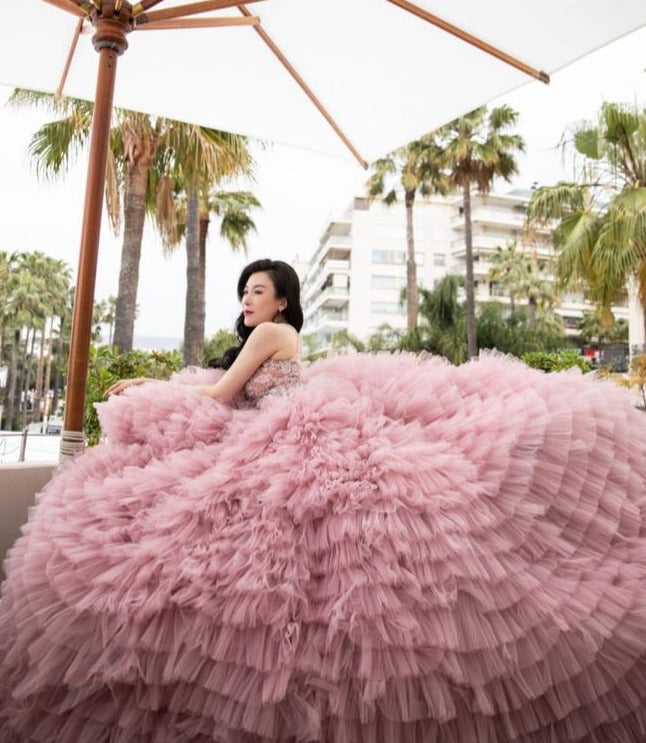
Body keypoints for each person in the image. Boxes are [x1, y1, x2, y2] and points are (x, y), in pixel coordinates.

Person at [2, 257, 646, 743]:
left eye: (258, 291)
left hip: (290, 435)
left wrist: (150, 390)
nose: (248, 300)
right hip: (273, 427)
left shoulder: (269, 335)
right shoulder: (265, 340)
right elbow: (228, 388)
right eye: (244, 291)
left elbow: (222, 394)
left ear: (284, 301)